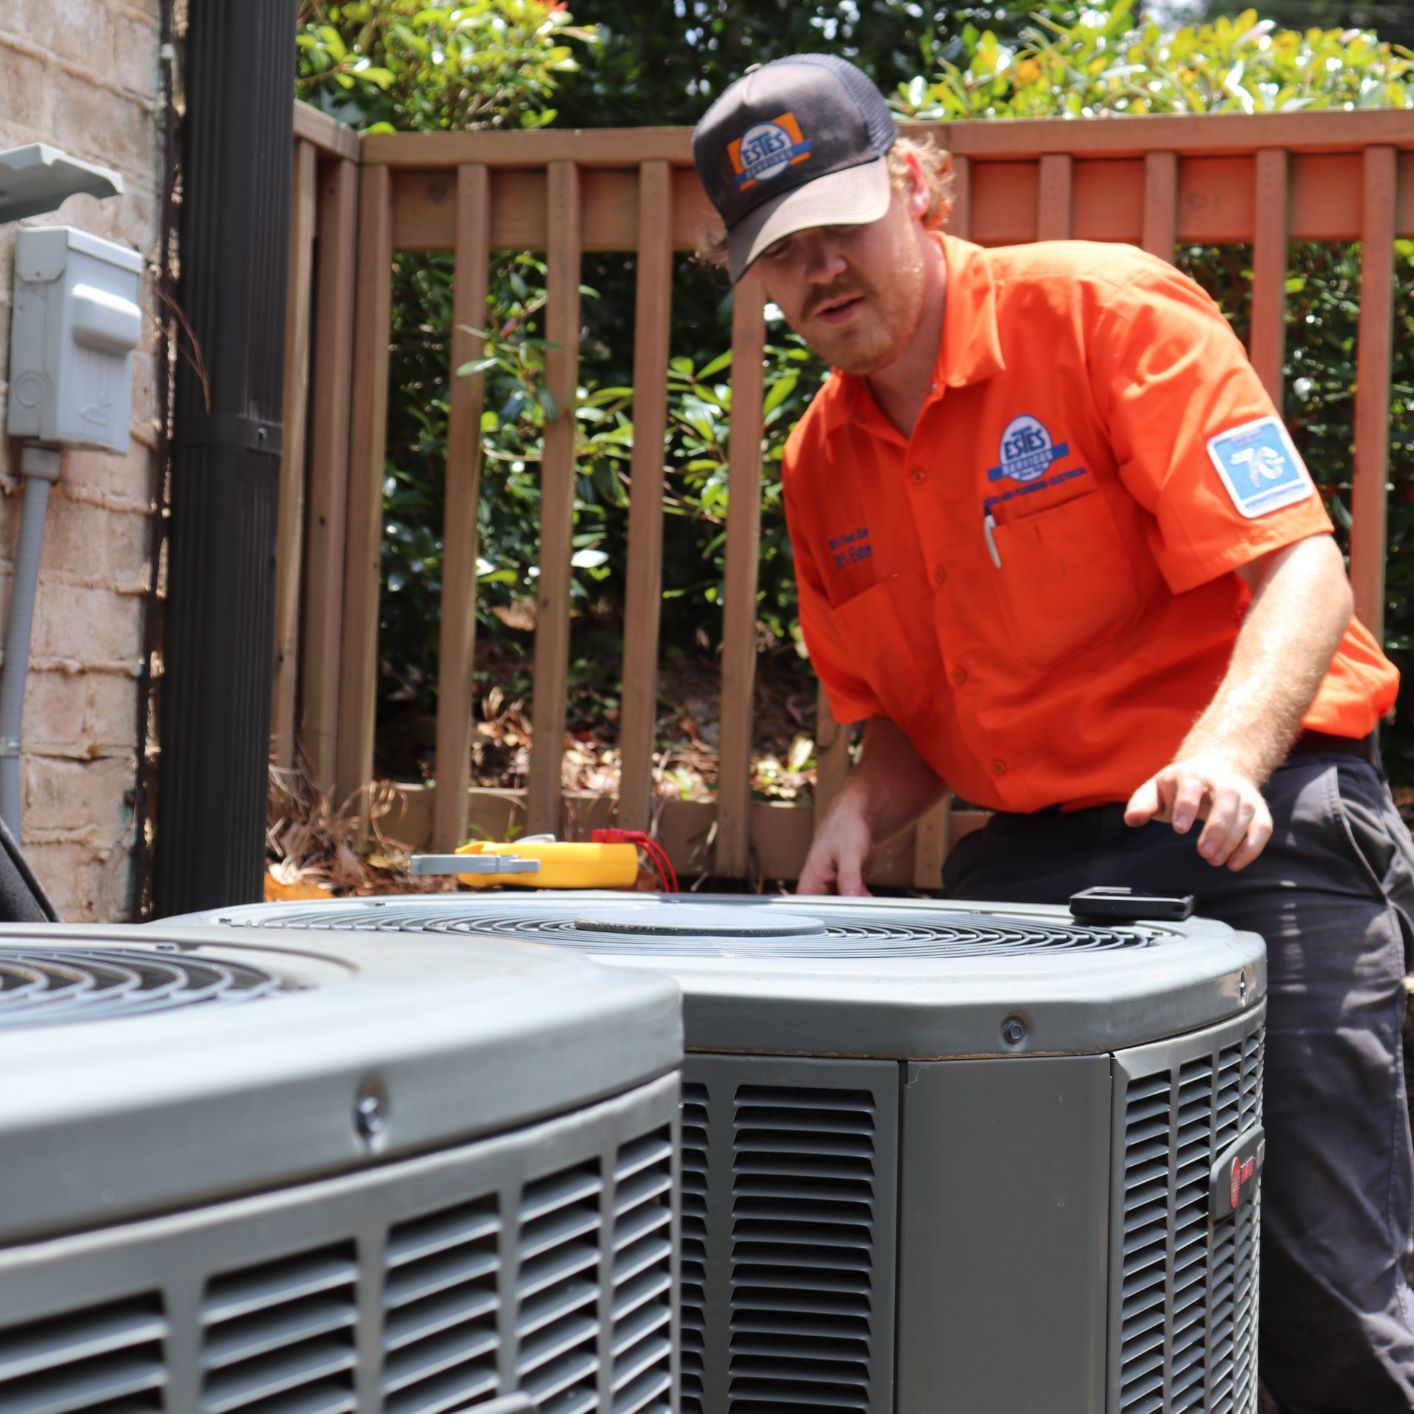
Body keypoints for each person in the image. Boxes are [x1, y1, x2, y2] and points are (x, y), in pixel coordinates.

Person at [692, 52, 1414, 1412]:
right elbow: (920, 712)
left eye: (837, 225)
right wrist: (859, 811)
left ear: (917, 181)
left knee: (1320, 1285)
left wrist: (1225, 750)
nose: (817, 271)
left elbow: (1300, 569)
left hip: (1257, 817)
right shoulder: (820, 462)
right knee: (1011, 1254)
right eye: (780, 256)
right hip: (1040, 860)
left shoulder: (1105, 314)